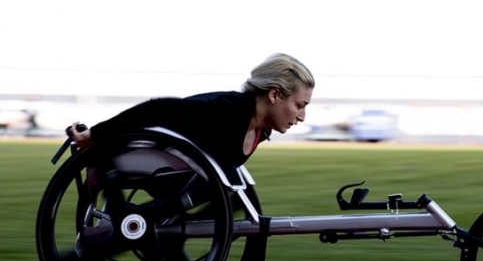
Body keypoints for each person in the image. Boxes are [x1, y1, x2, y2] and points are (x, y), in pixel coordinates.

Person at [69, 52, 315, 171]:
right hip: (144, 161)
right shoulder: (226, 111)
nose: (302, 116)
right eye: (299, 105)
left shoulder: (260, 130)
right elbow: (156, 108)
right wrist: (95, 135)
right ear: (274, 94)